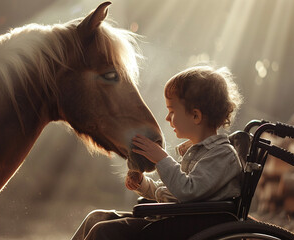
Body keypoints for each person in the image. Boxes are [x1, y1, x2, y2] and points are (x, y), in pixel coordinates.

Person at [71, 65, 243, 240]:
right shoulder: (198, 153)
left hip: (185, 228)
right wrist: (143, 184)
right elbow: (173, 193)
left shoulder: (222, 155)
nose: (167, 118)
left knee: (104, 231)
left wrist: (162, 159)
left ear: (195, 116)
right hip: (171, 221)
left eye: (172, 111)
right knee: (96, 218)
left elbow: (187, 191)